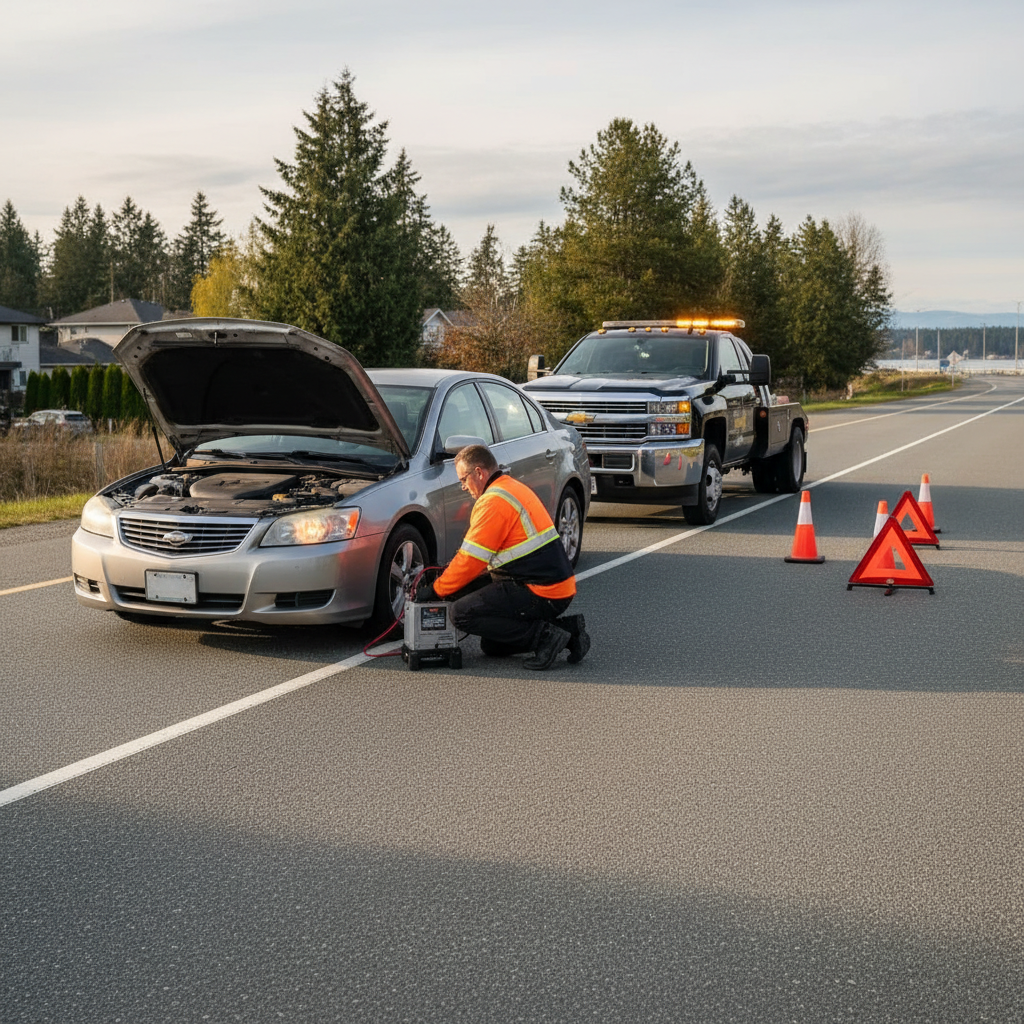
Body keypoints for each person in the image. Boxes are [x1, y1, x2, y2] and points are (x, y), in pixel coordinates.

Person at [417, 444, 590, 670]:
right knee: (492, 645)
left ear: (479, 473)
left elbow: (471, 561)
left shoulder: (493, 502)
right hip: (547, 583)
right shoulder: (509, 487)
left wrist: (436, 590)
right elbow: (480, 556)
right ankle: (569, 632)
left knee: (461, 614)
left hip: (542, 590)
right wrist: (449, 581)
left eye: (463, 479)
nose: (463, 487)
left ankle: (546, 637)